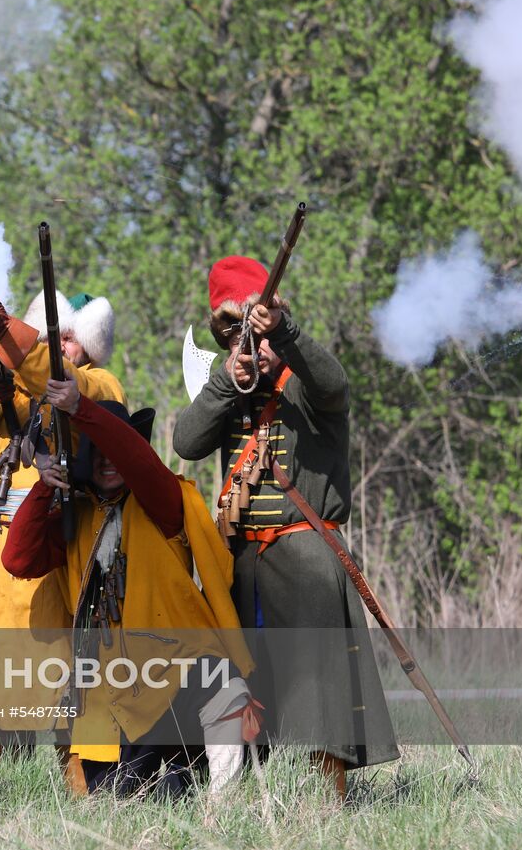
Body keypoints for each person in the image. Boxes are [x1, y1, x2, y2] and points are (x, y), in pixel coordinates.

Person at [171, 256, 397, 796]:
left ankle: (326, 801)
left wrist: (286, 334)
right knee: (242, 690)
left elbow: (334, 384)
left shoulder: (305, 385)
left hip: (304, 558)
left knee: (319, 693)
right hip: (241, 565)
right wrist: (226, 383)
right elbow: (186, 443)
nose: (254, 346)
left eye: (260, 334)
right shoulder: (230, 389)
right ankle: (251, 795)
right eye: (239, 333)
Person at [1, 378, 259, 797]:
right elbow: (18, 559)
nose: (107, 461)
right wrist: (45, 486)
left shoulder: (161, 499)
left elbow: (137, 462)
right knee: (117, 803)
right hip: (109, 695)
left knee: (216, 681)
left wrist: (81, 407)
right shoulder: (78, 514)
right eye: (95, 453)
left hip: (176, 676)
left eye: (115, 451)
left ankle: (224, 808)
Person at [0, 291, 126, 765]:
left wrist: (6, 332)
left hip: (58, 558)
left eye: (73, 338)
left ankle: (77, 788)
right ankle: (7, 793)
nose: (64, 345)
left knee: (68, 689)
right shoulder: (17, 397)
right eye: (56, 336)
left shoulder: (100, 386)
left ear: (90, 348)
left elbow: (56, 377)